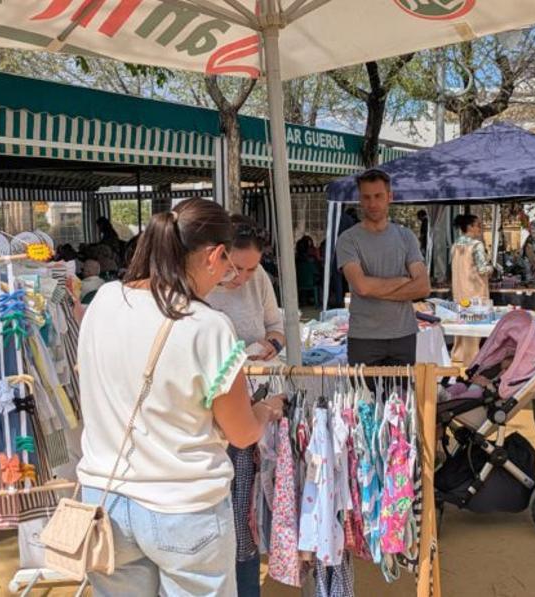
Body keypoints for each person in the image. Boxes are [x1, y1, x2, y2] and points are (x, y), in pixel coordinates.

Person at [76, 198, 285, 596]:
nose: (226, 277)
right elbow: (242, 433)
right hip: (184, 508)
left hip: (106, 498)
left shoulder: (102, 301)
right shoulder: (207, 326)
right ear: (214, 255)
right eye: (227, 265)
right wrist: (267, 410)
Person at [204, 215, 285, 597]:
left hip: (257, 392)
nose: (244, 277)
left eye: (253, 268)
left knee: (246, 499)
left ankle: (247, 582)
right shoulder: (202, 290)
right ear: (218, 256)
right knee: (227, 501)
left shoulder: (261, 281)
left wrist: (273, 343)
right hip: (217, 409)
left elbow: (276, 325)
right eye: (237, 268)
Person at [337, 169, 430, 366]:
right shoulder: (348, 240)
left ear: (390, 197)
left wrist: (373, 289)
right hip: (364, 338)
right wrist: (403, 282)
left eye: (378, 196)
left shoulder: (406, 237)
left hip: (404, 335)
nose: (372, 203)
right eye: (366, 197)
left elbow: (422, 287)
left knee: (405, 397)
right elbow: (361, 287)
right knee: (364, 398)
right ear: (360, 200)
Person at [449, 214, 497, 365]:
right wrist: (493, 268)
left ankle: (457, 361)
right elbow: (482, 270)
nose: (480, 229)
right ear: (469, 227)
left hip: (459, 293)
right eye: (478, 225)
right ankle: (472, 364)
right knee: (474, 332)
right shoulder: (477, 245)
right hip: (475, 293)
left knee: (461, 332)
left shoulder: (455, 245)